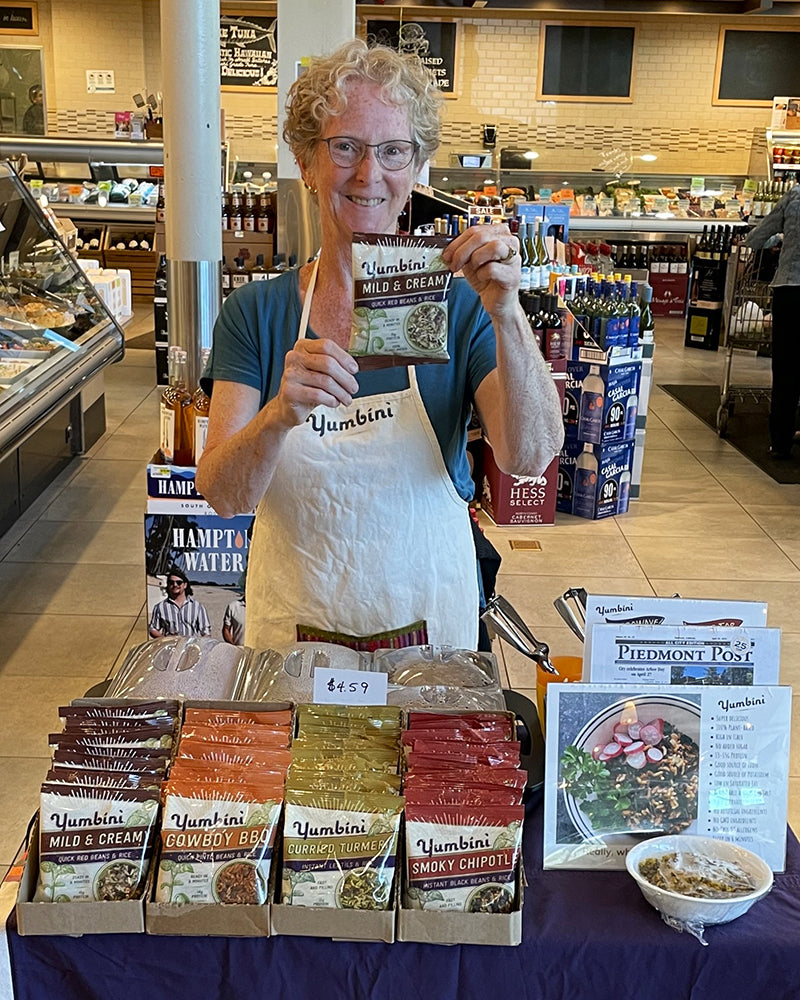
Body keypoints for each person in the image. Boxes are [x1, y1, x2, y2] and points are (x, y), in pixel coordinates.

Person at [196, 39, 564, 652]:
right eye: (345, 148)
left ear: (416, 166)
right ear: (306, 162)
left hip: (429, 632)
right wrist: (278, 417)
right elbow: (224, 495)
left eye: (394, 151)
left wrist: (508, 316)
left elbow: (529, 458)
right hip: (295, 633)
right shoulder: (256, 314)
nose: (370, 175)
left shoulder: (459, 305)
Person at [746, 181, 800, 459]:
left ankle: (780, 442)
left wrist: (780, 239)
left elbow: (757, 238)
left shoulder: (794, 195)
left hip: (790, 292)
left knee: (786, 368)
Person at [148, 566, 212, 638]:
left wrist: (200, 646)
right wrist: (165, 640)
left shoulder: (197, 607)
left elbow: (206, 631)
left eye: (179, 582)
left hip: (190, 647)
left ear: (185, 585)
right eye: (171, 582)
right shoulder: (160, 607)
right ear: (168, 585)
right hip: (170, 647)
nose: (175, 585)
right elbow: (153, 628)